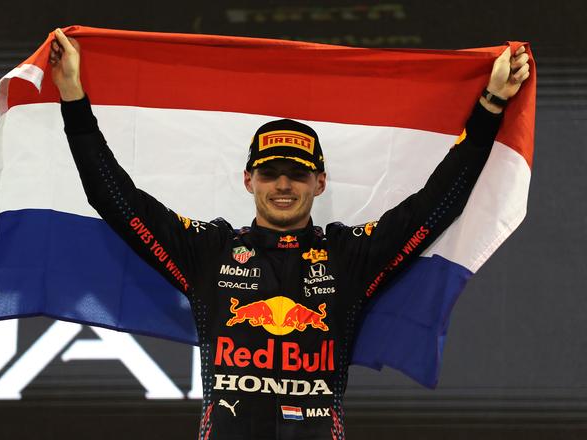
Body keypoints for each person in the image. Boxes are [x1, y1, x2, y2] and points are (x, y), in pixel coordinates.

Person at [49, 28, 530, 440]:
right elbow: (115, 199)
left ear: (319, 183)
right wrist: (72, 96)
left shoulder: (349, 256)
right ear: (248, 180)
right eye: (270, 173)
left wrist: (490, 105)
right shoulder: (210, 252)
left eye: (297, 174)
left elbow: (437, 206)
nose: (283, 185)